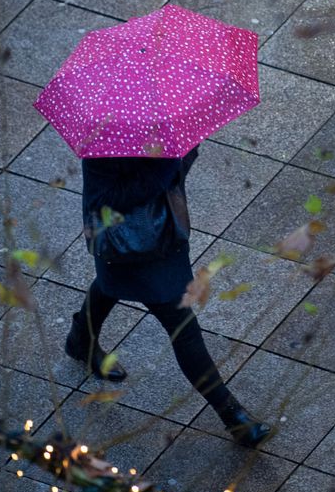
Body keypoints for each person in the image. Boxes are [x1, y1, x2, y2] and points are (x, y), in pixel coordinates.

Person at [64, 145, 272, 447]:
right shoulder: (105, 142)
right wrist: (164, 168)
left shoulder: (158, 128)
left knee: (110, 286)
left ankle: (80, 340)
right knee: (184, 330)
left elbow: (173, 179)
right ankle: (233, 417)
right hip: (128, 246)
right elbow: (109, 199)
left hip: (161, 239)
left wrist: (182, 156)